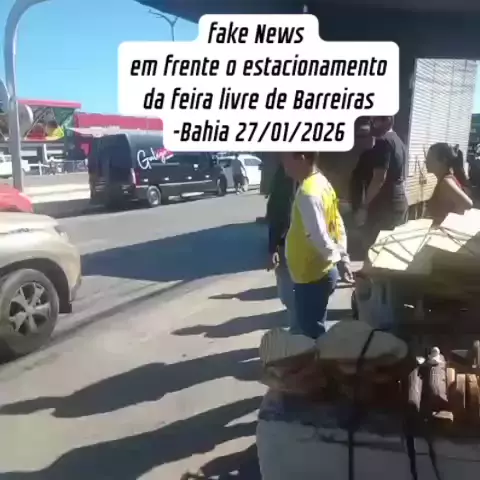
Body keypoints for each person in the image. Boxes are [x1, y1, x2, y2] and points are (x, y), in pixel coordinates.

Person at [282, 152, 353, 339]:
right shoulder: (321, 182)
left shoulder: (309, 193)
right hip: (318, 271)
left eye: (286, 158)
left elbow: (319, 236)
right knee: (314, 326)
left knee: (311, 333)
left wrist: (339, 259)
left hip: (312, 275)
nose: (283, 163)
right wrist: (342, 256)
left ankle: (320, 356)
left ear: (302, 158)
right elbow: (337, 223)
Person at [354, 116, 409, 250]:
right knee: (390, 251)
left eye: (375, 121)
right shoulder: (399, 142)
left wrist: (364, 207)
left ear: (387, 120)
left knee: (373, 250)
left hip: (384, 206)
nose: (372, 124)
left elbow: (379, 178)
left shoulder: (383, 142)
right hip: (399, 202)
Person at [266, 162, 297, 327]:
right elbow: (276, 218)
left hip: (299, 248)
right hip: (289, 246)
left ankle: (299, 327)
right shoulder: (285, 182)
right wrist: (272, 250)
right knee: (290, 295)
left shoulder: (312, 185)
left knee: (291, 296)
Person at [426, 142, 473, 225]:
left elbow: (468, 204)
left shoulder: (446, 182)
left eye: (430, 159)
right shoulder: (446, 179)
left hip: (441, 230)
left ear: (443, 160)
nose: (426, 162)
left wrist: (449, 221)